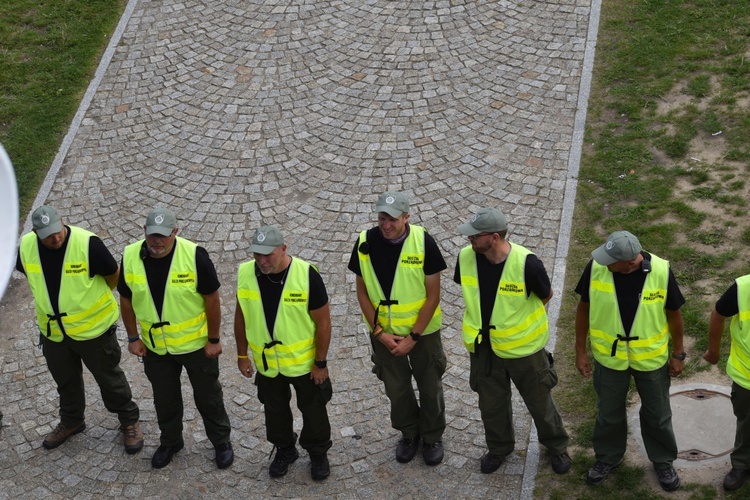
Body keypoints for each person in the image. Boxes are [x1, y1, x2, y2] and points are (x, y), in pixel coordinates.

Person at [454, 207, 571, 474]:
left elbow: (546, 295)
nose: (469, 240)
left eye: (475, 236)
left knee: (540, 403)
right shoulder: (466, 258)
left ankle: (556, 447)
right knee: (491, 405)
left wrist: (516, 325)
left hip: (524, 351)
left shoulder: (527, 263)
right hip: (484, 348)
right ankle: (498, 449)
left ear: (494, 237)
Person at [16, 205, 142, 452]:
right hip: (53, 332)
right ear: (35, 232)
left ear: (63, 220)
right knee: (65, 381)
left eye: (58, 230)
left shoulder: (88, 244)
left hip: (93, 331)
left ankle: (129, 420)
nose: (55, 237)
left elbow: (113, 275)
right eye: (48, 235)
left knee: (109, 378)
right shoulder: (26, 247)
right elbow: (31, 277)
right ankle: (72, 421)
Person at [119, 207, 233, 469]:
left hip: (195, 346)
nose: (157, 241)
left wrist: (214, 339)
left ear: (175, 233)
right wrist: (133, 337)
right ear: (144, 232)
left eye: (163, 236)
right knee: (164, 398)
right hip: (156, 347)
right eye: (152, 235)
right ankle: (171, 441)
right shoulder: (130, 256)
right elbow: (125, 299)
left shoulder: (194, 256)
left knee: (209, 397)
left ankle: (220, 441)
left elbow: (212, 299)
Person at [575, 230, 685, 491]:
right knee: (608, 414)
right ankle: (607, 458)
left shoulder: (660, 271)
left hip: (651, 360)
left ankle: (662, 461)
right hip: (609, 359)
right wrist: (579, 351)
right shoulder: (596, 268)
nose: (603, 262)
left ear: (629, 262)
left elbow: (674, 314)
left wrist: (678, 352)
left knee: (658, 414)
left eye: (610, 259)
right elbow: (583, 309)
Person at [348, 191, 447, 466]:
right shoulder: (364, 242)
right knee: (397, 389)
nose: (386, 225)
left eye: (392, 219)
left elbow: (433, 296)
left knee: (430, 387)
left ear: (406, 217)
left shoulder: (423, 241)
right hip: (385, 335)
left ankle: (432, 437)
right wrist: (379, 333)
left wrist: (413, 337)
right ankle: (409, 434)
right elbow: (362, 292)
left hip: (423, 335)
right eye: (381, 218)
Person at [234, 225, 333, 480]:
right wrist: (242, 354)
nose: (262, 261)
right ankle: (285, 449)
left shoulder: (306, 274)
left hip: (305, 364)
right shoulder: (246, 273)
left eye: (268, 254)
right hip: (268, 364)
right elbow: (241, 314)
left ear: (284, 249)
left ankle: (318, 451)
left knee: (313, 410)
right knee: (274, 411)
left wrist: (320, 362)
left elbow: (323, 323)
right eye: (257, 254)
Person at [704, 276, 750, 492]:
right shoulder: (744, 288)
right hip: (747, 377)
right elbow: (718, 314)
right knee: (746, 424)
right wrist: (713, 351)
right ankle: (741, 464)